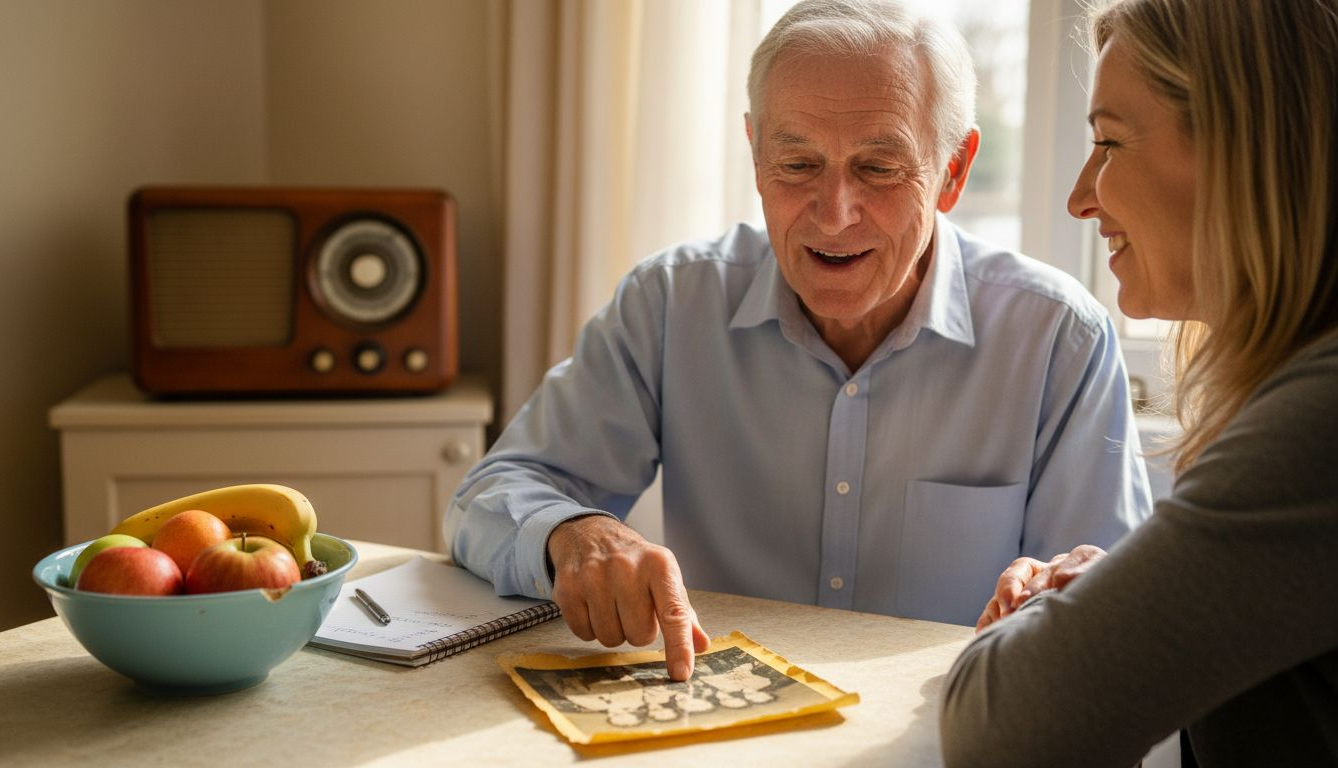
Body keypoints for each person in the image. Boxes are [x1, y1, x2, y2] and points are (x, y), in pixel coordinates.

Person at [447, 0, 1151, 683]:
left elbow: (1113, 608)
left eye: (878, 168)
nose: (834, 213)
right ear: (755, 157)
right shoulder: (671, 304)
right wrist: (573, 533)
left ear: (953, 172)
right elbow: (490, 497)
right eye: (798, 165)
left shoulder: (1058, 339)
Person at [940, 0, 1338, 765]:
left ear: (1241, 150)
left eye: (1109, 142)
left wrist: (1059, 622)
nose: (1080, 196)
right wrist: (1126, 589)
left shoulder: (1316, 428)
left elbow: (1001, 727)